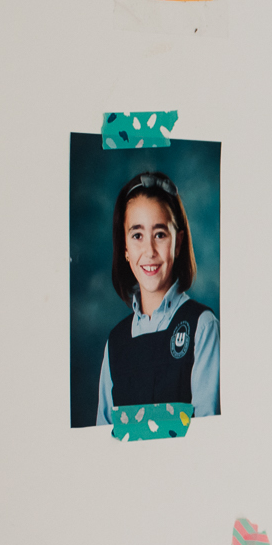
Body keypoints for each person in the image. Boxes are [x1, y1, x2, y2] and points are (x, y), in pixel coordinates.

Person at [95, 171, 218, 422]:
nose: (149, 251)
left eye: (160, 234)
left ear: (178, 242)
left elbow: (210, 435)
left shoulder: (202, 327)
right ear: (125, 248)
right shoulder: (116, 343)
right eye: (137, 236)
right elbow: (102, 438)